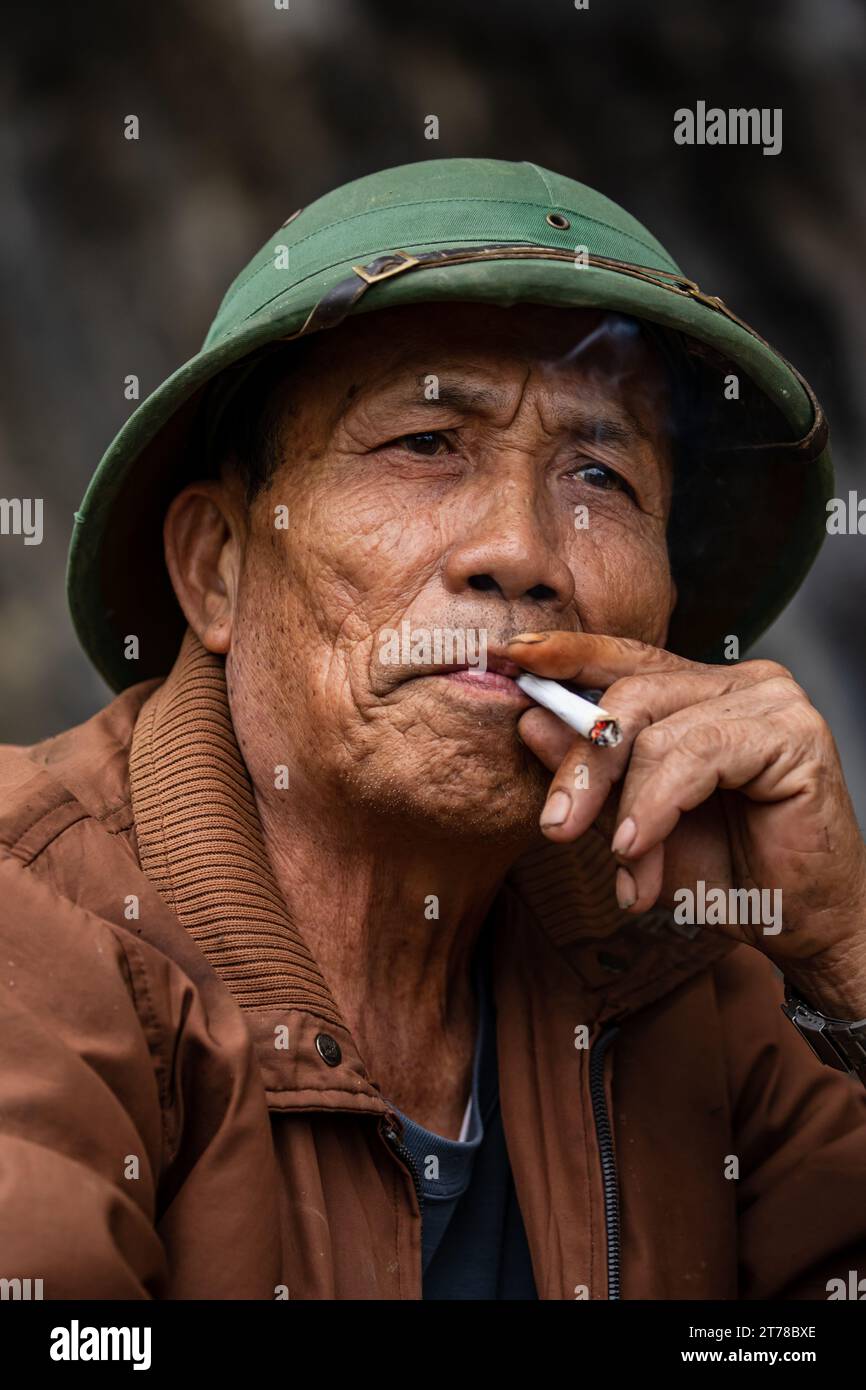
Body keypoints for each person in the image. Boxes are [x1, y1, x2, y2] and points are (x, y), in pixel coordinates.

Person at [2, 157, 865, 1301]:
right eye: (423, 443)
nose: (517, 548)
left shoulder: (685, 968)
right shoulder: (34, 924)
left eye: (598, 475)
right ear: (218, 569)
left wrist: (843, 955)